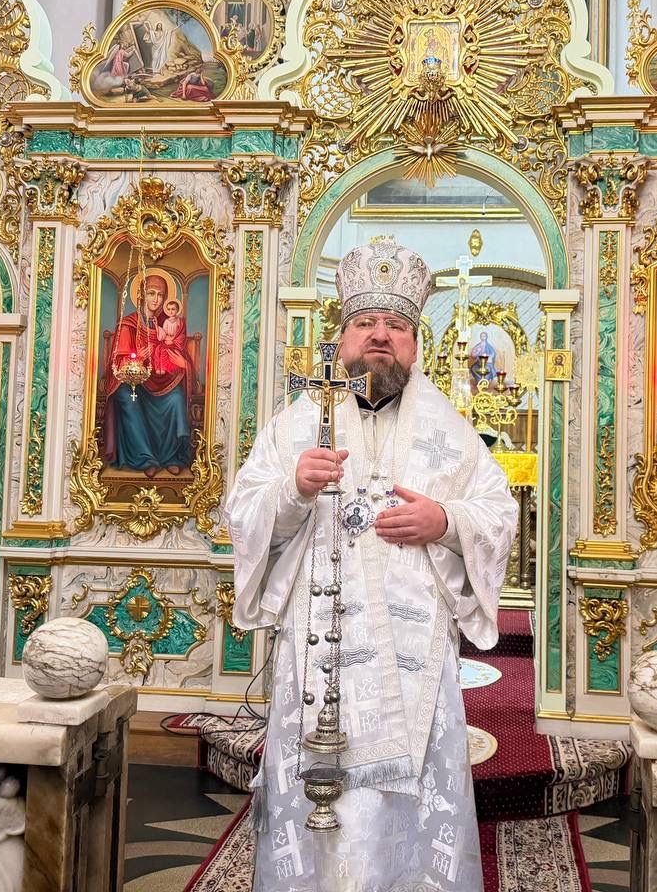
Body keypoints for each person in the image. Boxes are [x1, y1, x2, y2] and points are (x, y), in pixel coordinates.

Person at [226, 238, 518, 892]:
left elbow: (499, 513)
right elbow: (241, 511)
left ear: (414, 345)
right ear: (342, 338)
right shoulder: (296, 424)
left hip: (419, 661)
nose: (380, 335)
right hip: (319, 655)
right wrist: (292, 489)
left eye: (396, 325)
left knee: (406, 817)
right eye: (365, 322)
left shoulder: (450, 430)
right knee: (323, 811)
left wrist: (445, 521)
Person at [102, 274, 194, 477]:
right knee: (127, 398)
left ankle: (172, 457)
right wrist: (137, 359)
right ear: (142, 296)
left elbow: (177, 354)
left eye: (160, 295)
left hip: (161, 380)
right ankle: (145, 458)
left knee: (176, 397)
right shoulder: (128, 324)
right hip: (135, 383)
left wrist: (185, 365)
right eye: (151, 293)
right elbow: (117, 363)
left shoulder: (168, 324)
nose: (156, 299)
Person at [152, 298, 187, 375]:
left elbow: (181, 334)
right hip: (166, 341)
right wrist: (156, 325)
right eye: (169, 309)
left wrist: (174, 340)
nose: (170, 311)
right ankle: (159, 368)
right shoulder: (166, 321)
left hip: (175, 343)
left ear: (177, 310)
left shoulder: (180, 321)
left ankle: (164, 368)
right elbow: (164, 333)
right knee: (158, 349)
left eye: (173, 309)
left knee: (165, 351)